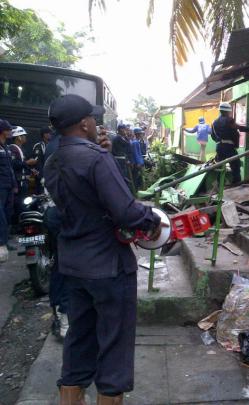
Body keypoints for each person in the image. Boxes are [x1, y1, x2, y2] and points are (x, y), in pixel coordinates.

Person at [44, 94, 162, 403]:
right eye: (93, 119)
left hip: (73, 265)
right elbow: (125, 210)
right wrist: (152, 219)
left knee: (79, 337)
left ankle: (71, 395)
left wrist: (105, 155)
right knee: (114, 344)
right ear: (84, 124)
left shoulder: (52, 161)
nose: (97, 123)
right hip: (108, 266)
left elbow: (82, 202)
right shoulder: (96, 159)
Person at [211, 102, 249, 184]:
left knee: (220, 167)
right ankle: (237, 185)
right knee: (236, 165)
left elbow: (213, 136)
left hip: (219, 147)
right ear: (228, 111)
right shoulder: (229, 120)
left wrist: (220, 142)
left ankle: (219, 184)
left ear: (220, 110)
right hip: (228, 147)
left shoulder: (214, 122)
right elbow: (239, 128)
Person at [8, 126, 38, 224]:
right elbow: (13, 164)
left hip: (23, 182)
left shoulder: (21, 149)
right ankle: (17, 226)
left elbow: (22, 165)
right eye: (23, 135)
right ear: (18, 137)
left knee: (23, 203)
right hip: (17, 183)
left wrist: (31, 170)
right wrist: (27, 163)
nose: (25, 137)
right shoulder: (12, 148)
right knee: (18, 205)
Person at [0, 119, 16, 263]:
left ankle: (6, 240)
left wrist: (14, 184)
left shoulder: (5, 147)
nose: (11, 131)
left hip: (8, 186)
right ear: (3, 131)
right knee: (1, 216)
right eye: (9, 129)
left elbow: (9, 168)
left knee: (7, 213)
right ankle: (2, 243)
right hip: (1, 187)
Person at [32, 127, 52, 193]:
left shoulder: (52, 145)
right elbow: (37, 161)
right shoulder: (39, 146)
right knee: (41, 194)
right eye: (49, 133)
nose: (51, 134)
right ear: (44, 134)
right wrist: (41, 175)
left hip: (51, 175)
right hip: (41, 176)